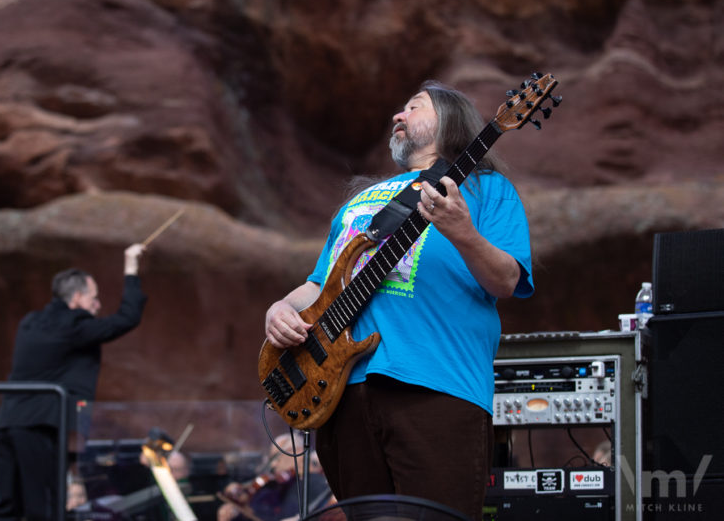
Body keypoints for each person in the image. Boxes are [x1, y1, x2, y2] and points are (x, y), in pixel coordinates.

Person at [264, 80, 534, 521]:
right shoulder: (360, 203)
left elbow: (506, 280)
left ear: (449, 121)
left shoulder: (488, 189)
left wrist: (463, 232)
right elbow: (319, 285)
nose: (398, 115)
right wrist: (278, 310)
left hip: (436, 383)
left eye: (414, 107)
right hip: (338, 391)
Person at [0, 243, 148, 521]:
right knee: (45, 507)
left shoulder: (30, 322)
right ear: (76, 298)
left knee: (9, 507)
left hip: (8, 423)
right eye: (93, 299)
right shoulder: (74, 327)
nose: (97, 306)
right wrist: (131, 266)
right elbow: (127, 317)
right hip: (41, 428)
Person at [217, 435, 332, 521]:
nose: (273, 465)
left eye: (277, 458)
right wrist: (238, 512)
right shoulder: (279, 484)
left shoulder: (312, 482)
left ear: (296, 452)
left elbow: (282, 516)